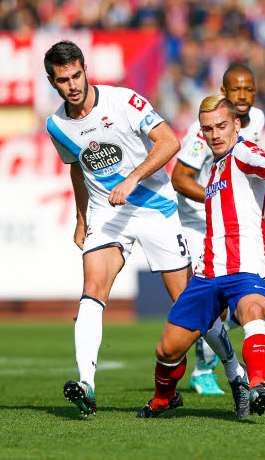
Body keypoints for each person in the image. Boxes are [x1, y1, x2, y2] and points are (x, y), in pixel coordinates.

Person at [138, 95, 265, 418]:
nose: (214, 134)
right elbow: (260, 214)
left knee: (252, 309)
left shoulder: (243, 152)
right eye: (207, 128)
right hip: (209, 271)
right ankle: (165, 398)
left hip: (246, 269)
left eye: (221, 126)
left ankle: (257, 385)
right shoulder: (214, 171)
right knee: (167, 349)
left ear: (237, 125)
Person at [44, 41, 190, 418]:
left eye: (76, 75)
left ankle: (236, 372)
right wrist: (81, 218)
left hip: (154, 206)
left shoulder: (123, 100)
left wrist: (132, 179)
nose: (72, 85)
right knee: (92, 289)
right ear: (53, 82)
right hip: (106, 214)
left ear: (85, 69)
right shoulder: (57, 125)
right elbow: (77, 166)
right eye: (63, 80)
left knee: (188, 303)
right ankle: (86, 384)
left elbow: (169, 141)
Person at [171, 63, 264, 397]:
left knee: (253, 303)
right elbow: (180, 178)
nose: (242, 95)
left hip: (239, 225)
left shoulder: (259, 122)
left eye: (248, 89)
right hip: (200, 223)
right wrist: (215, 201)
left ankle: (214, 359)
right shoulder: (202, 134)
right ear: (223, 92)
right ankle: (204, 370)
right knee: (216, 301)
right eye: (235, 89)